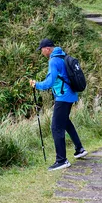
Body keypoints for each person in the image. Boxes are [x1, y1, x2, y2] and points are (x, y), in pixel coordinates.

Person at [30, 38, 86, 170]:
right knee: (65, 122)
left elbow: (49, 82)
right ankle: (80, 149)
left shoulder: (53, 60)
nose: (42, 53)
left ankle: (62, 160)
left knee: (56, 127)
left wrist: (36, 84)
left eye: (42, 50)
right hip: (71, 95)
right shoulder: (63, 55)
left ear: (47, 49)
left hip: (63, 97)